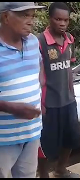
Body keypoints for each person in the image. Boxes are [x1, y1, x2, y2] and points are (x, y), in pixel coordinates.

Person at [0, 2, 45, 178]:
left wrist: (38, 90)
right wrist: (12, 107)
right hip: (3, 139)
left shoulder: (33, 42)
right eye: (25, 15)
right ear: (5, 17)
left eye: (32, 16)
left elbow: (39, 66)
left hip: (32, 132)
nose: (31, 21)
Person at [37, 2, 80, 178]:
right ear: (50, 19)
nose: (62, 23)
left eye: (66, 20)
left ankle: (61, 170)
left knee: (71, 137)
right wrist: (40, 103)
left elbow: (69, 68)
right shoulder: (40, 42)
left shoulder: (70, 39)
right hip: (49, 103)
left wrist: (72, 92)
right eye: (58, 19)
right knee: (46, 144)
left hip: (68, 100)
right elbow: (38, 76)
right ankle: (43, 175)